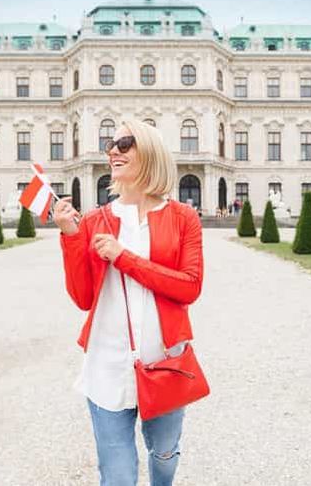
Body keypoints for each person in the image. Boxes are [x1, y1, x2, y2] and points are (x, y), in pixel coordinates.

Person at [55, 119, 204, 486]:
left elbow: (190, 287)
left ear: (149, 151)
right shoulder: (96, 220)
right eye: (111, 143)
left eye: (124, 143)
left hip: (165, 360)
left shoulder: (183, 217)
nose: (113, 150)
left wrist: (124, 258)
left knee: (165, 453)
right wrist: (72, 238)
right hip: (107, 363)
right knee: (118, 477)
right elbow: (83, 298)